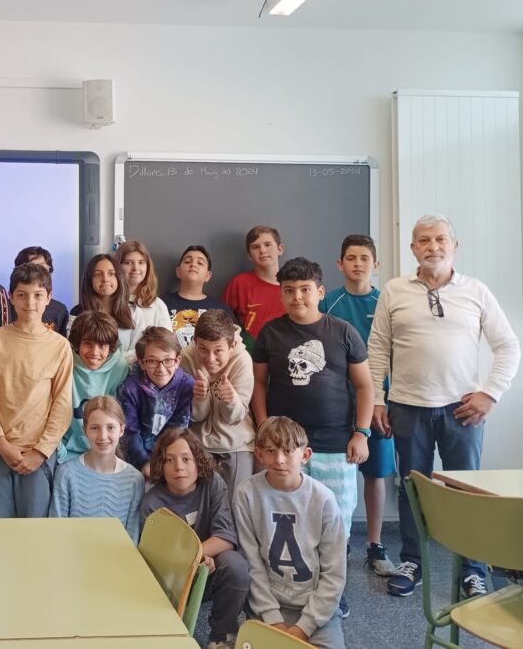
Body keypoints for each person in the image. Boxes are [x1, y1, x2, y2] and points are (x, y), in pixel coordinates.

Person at [368, 214, 520, 598]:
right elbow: (377, 349)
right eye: (424, 240)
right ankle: (412, 561)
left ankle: (473, 569)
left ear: (454, 245)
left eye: (440, 239)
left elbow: (508, 346)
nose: (432, 246)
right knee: (411, 489)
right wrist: (376, 401)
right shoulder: (394, 291)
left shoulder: (476, 291)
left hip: (462, 411)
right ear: (413, 248)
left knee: (467, 491)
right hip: (407, 407)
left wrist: (490, 393)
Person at [251, 256, 373, 618]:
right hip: (284, 449)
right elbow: (258, 384)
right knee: (292, 520)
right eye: (289, 290)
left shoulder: (344, 332)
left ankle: (333, 593)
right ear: (281, 294)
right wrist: (264, 428)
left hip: (335, 444)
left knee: (337, 522)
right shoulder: (270, 334)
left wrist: (361, 433)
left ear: (320, 291)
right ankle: (296, 590)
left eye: (305, 290)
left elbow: (364, 385)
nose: (297, 297)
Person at [233, 417, 346, 649]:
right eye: (270, 451)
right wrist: (273, 619)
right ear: (259, 454)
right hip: (267, 605)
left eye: (288, 451)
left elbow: (334, 573)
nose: (279, 460)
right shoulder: (246, 495)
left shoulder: (324, 500)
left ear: (305, 455)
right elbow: (252, 563)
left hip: (315, 609)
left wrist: (303, 628)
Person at [320, 233, 395, 577]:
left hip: (377, 402)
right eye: (351, 258)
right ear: (340, 264)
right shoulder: (328, 302)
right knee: (335, 474)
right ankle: (339, 540)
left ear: (375, 264)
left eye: (364, 258)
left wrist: (385, 399)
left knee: (374, 473)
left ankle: (375, 544)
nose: (357, 264)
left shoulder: (386, 302)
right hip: (336, 402)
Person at [0, 262, 73, 518]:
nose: (30, 302)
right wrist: (0, 443)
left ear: (49, 297)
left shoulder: (60, 346)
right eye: (22, 295)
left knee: (35, 527)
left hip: (38, 452)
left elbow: (62, 404)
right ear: (11, 296)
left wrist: (40, 452)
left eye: (38, 295)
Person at [141, 427, 250, 649]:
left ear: (198, 462)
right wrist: (192, 561)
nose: (179, 467)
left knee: (235, 565)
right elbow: (156, 559)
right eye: (169, 460)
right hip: (173, 578)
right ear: (160, 465)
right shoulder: (152, 503)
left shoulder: (213, 484)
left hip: (209, 569)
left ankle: (221, 636)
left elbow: (225, 537)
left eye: (186, 459)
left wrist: (199, 555)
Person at [178, 309, 255, 502]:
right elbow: (195, 417)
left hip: (236, 442)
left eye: (218, 351)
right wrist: (200, 397)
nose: (210, 359)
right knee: (200, 503)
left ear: (232, 345)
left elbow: (234, 417)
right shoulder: (187, 357)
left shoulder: (242, 360)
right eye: (203, 349)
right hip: (198, 440)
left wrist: (230, 400)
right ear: (195, 342)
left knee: (235, 501)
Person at [50, 397, 144, 542]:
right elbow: (57, 529)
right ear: (85, 430)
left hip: (119, 556)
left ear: (121, 430)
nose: (103, 436)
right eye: (95, 428)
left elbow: (133, 537)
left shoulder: (134, 480)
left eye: (110, 427)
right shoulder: (66, 474)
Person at [57, 310, 130, 465]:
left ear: (110, 347)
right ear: (77, 343)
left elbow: (120, 417)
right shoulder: (64, 361)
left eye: (102, 345)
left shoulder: (120, 367)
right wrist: (61, 454)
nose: (94, 352)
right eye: (87, 343)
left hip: (105, 448)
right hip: (65, 449)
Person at [119, 327, 193, 477]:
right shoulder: (130, 388)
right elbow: (130, 431)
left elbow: (178, 428)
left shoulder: (186, 385)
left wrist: (163, 462)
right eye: (152, 361)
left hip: (170, 456)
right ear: (142, 363)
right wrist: (144, 463)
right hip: (136, 457)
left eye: (168, 360)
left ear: (177, 361)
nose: (161, 368)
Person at [223, 225, 286, 350]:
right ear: (249, 255)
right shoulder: (240, 283)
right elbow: (221, 319)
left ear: (280, 249)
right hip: (249, 354)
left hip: (286, 353)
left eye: (268, 244)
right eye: (255, 247)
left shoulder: (293, 287)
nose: (262, 250)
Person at [163, 245, 234, 347]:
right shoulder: (161, 304)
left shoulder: (220, 309)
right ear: (178, 272)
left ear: (207, 276)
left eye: (200, 263)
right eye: (187, 261)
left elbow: (232, 345)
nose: (193, 264)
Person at [115, 240, 172, 361]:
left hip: (147, 369)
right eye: (128, 263)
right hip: (111, 369)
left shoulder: (158, 306)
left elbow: (166, 346)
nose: (135, 268)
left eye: (141, 262)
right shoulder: (108, 302)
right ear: (117, 266)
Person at [66, 254, 135, 347]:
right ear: (89, 280)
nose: (105, 279)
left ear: (119, 277)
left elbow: (138, 350)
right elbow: (72, 348)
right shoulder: (77, 312)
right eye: (98, 274)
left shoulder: (133, 311)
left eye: (111, 274)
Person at [10, 246, 69, 335]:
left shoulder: (59, 310)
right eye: (32, 268)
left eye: (42, 269)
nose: (30, 303)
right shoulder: (5, 307)